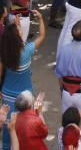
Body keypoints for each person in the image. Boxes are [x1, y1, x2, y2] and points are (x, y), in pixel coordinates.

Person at [0, 10, 45, 149]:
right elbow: (42, 35)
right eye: (19, 29)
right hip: (25, 97)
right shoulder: (27, 51)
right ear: (18, 36)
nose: (21, 30)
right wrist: (41, 19)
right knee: (24, 129)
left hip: (7, 95)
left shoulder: (4, 52)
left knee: (8, 129)